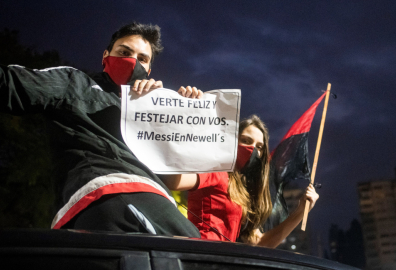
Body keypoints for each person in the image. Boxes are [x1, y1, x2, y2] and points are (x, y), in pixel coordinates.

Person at [0, 22, 201, 237]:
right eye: (124, 52)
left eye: (142, 59)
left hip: (158, 201)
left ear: (149, 70)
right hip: (105, 192)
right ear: (106, 55)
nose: (133, 61)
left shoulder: (154, 106)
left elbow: (173, 176)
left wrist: (182, 113)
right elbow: (11, 84)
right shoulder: (74, 82)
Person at [161, 115, 319, 248]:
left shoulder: (242, 190)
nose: (253, 149)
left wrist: (300, 212)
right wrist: (183, 126)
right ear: (232, 142)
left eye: (259, 146)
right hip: (200, 257)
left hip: (221, 261)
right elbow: (174, 181)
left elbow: (260, 243)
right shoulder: (217, 170)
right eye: (246, 140)